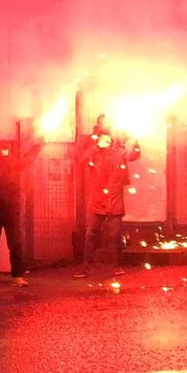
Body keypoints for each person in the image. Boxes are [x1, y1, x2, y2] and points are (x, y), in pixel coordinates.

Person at [75, 117, 141, 279]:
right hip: (97, 201)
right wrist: (96, 147)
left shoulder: (119, 153)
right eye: (102, 137)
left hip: (114, 201)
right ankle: (86, 266)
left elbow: (135, 155)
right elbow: (80, 160)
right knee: (91, 234)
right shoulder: (94, 153)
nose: (106, 140)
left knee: (115, 235)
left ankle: (117, 265)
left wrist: (137, 139)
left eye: (108, 137)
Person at [0, 136, 45, 288]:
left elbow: (27, 159)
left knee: (12, 243)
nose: (2, 151)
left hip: (6, 208)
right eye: (0, 148)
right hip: (1, 208)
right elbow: (28, 159)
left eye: (3, 148)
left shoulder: (5, 163)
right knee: (2, 243)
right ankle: (1, 276)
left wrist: (39, 145)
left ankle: (10, 276)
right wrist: (39, 144)